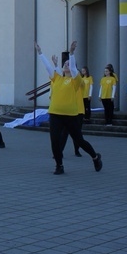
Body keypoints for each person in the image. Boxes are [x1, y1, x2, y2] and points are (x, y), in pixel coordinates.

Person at [35, 40, 102, 175]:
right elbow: (48, 67)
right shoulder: (57, 78)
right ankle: (59, 165)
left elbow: (73, 69)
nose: (66, 65)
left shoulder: (76, 81)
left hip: (71, 115)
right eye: (64, 63)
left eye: (68, 64)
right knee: (55, 141)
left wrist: (71, 53)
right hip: (55, 113)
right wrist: (40, 53)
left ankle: (95, 157)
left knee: (79, 140)